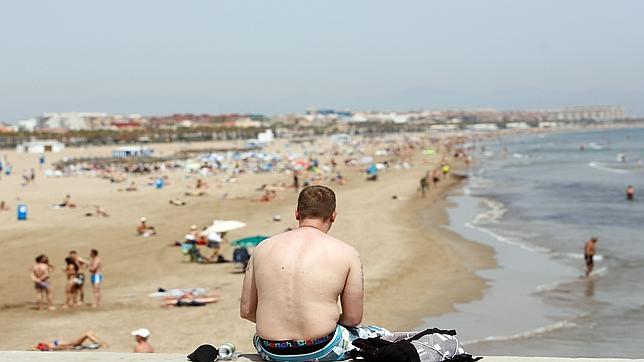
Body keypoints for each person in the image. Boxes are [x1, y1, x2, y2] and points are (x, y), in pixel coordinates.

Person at [241, 185, 390, 362]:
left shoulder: (262, 248)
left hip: (271, 349)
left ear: (297, 213)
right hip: (322, 348)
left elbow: (247, 311)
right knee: (382, 334)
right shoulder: (347, 253)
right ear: (333, 216)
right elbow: (352, 318)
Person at [35, 330, 108, 351]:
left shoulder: (50, 344)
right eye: (42, 344)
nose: (42, 342)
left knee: (89, 332)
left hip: (73, 342)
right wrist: (72, 348)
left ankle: (101, 343)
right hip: (74, 343)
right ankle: (102, 343)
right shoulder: (51, 346)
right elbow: (64, 347)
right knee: (87, 333)